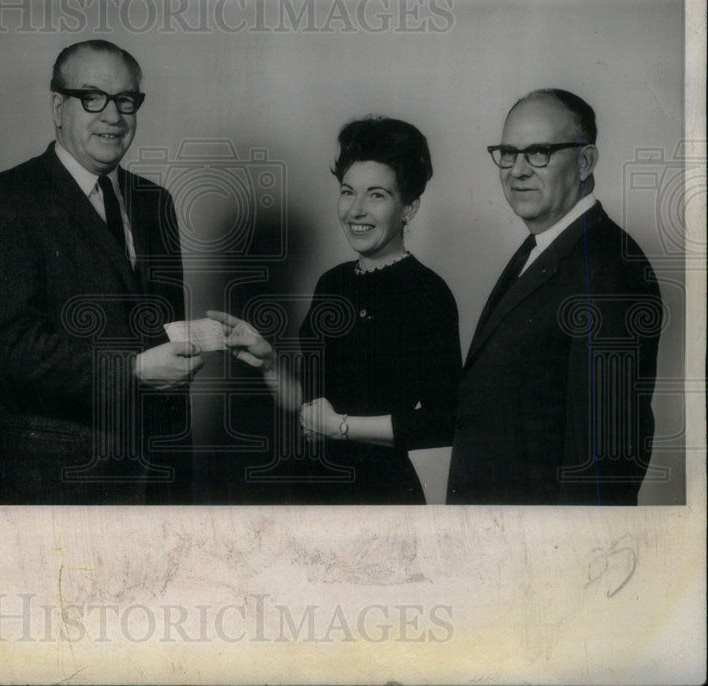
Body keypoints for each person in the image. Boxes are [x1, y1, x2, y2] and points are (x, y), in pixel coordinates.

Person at [0, 40, 201, 505]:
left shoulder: (156, 203)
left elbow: (163, 330)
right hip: (54, 480)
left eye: (126, 100)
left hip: (157, 473)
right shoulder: (5, 200)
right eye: (93, 97)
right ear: (57, 106)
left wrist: (195, 345)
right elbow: (7, 347)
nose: (113, 116)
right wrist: (132, 369)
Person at [210, 117, 461, 504]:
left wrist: (340, 427)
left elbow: (444, 422)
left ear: (408, 208)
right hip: (311, 483)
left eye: (376, 195)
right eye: (348, 192)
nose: (355, 210)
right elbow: (309, 406)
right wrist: (269, 364)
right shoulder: (333, 282)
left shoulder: (427, 292)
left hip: (378, 492)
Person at [447, 89, 663, 505]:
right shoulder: (544, 245)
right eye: (508, 153)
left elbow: (606, 462)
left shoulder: (609, 269)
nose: (518, 170)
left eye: (539, 152)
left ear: (585, 161)